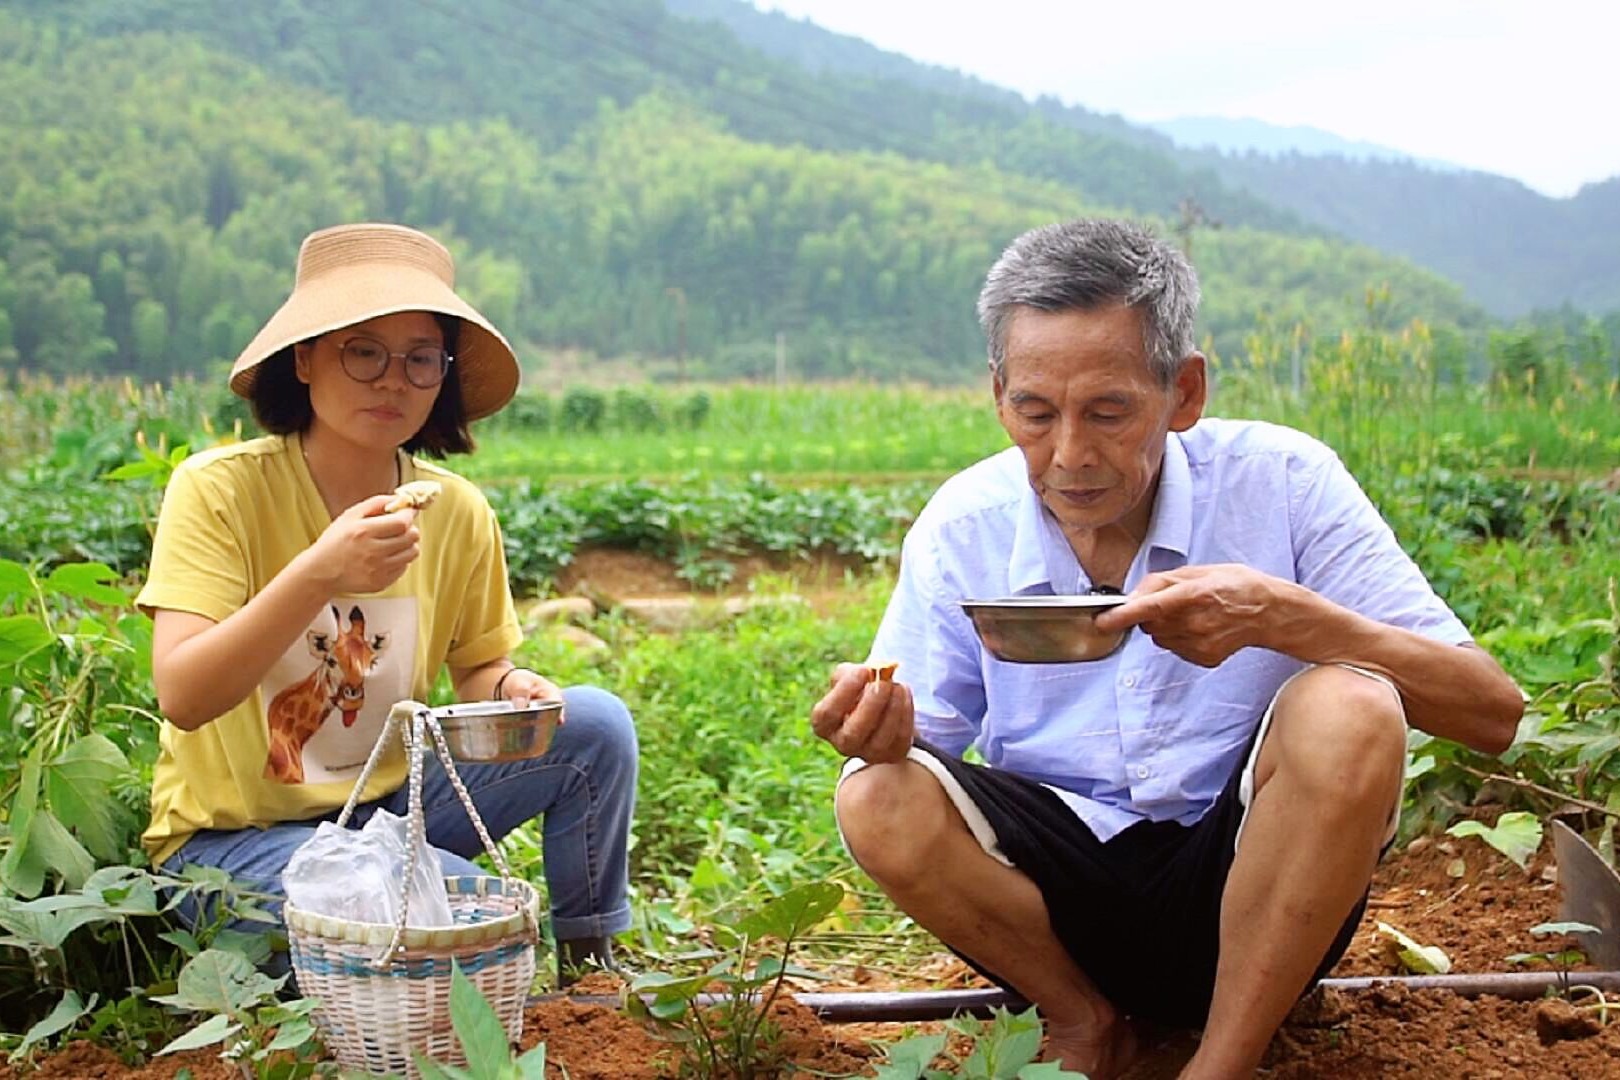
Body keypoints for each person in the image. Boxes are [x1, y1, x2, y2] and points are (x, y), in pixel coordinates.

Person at [809, 218, 1522, 1078]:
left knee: (1351, 704)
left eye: (1109, 412)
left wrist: (1283, 617)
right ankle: (1084, 1021)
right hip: (1055, 907)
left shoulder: (1284, 483)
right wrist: (877, 729)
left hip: (1258, 889)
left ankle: (1221, 1060)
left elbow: (1491, 712)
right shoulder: (966, 525)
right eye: (1036, 413)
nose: (1069, 455)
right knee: (873, 794)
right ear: (999, 395)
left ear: (1184, 393)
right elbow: (914, 748)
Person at [138, 222, 637, 984]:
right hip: (230, 844)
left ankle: (596, 971)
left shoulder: (456, 510)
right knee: (450, 902)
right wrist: (320, 571)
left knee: (596, 726)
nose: (392, 380)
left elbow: (479, 671)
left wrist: (511, 691)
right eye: (363, 351)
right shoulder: (220, 492)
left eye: (419, 359)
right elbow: (183, 694)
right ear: (304, 358)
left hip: (387, 812)